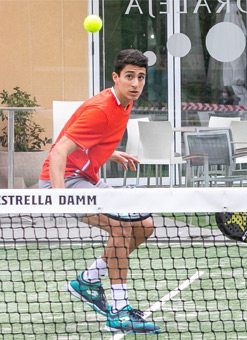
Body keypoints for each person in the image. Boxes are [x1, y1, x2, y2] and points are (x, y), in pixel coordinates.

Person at [38, 49, 160, 334]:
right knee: (121, 227)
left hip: (86, 176)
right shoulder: (102, 110)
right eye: (129, 76)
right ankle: (119, 311)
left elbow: (90, 139)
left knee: (145, 226)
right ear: (115, 78)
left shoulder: (124, 103)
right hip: (66, 181)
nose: (136, 83)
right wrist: (61, 197)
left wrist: (109, 152)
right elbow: (58, 152)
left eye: (141, 77)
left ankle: (88, 281)